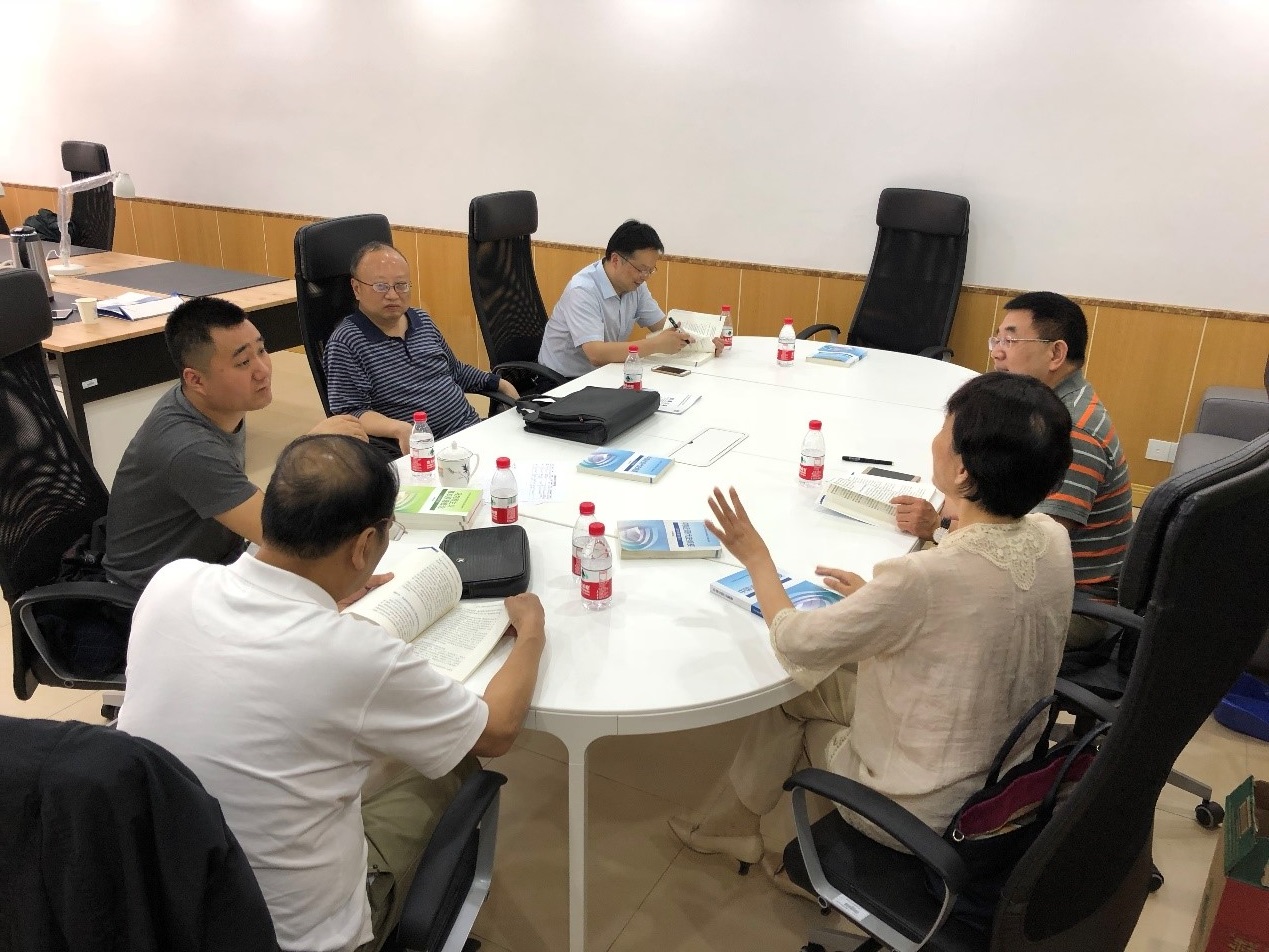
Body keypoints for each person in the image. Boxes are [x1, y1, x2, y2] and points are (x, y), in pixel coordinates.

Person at [118, 434, 547, 952]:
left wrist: (325, 599)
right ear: (364, 545)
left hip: (164, 904)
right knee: (450, 766)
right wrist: (531, 632)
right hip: (301, 937)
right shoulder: (354, 654)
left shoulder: (172, 583)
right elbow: (496, 731)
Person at [669, 373, 1075, 893]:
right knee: (831, 677)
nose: (935, 438)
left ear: (961, 469)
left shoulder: (922, 579)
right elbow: (968, 610)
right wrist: (880, 603)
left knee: (793, 692)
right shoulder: (1052, 537)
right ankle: (748, 833)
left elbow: (796, 641)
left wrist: (757, 558)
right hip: (1009, 776)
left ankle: (803, 860)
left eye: (944, 428)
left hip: (919, 808)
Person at [891, 291, 1132, 649]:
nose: (997, 352)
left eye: (1011, 340)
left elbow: (1028, 550)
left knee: (905, 620)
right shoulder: (1051, 409)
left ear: (1056, 353)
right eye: (997, 339)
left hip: (1074, 607)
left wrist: (938, 528)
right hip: (1039, 584)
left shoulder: (1073, 432)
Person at [103, 296, 366, 592]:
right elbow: (285, 540)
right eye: (243, 362)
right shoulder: (189, 448)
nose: (262, 369)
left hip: (214, 563)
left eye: (261, 350)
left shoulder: (209, 403)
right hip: (153, 595)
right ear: (196, 380)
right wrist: (308, 449)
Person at [324, 242, 519, 456]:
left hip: (470, 431)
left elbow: (455, 371)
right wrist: (398, 428)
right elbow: (350, 413)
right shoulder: (346, 342)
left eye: (401, 285)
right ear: (356, 288)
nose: (392, 295)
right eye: (381, 286)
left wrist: (499, 383)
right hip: (425, 452)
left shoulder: (421, 319)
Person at [536, 219, 723, 379]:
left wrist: (704, 342)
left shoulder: (635, 286)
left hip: (605, 375)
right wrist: (656, 344)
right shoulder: (583, 290)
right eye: (641, 269)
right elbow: (596, 354)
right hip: (563, 381)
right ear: (616, 260)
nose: (645, 277)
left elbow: (663, 326)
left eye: (650, 270)